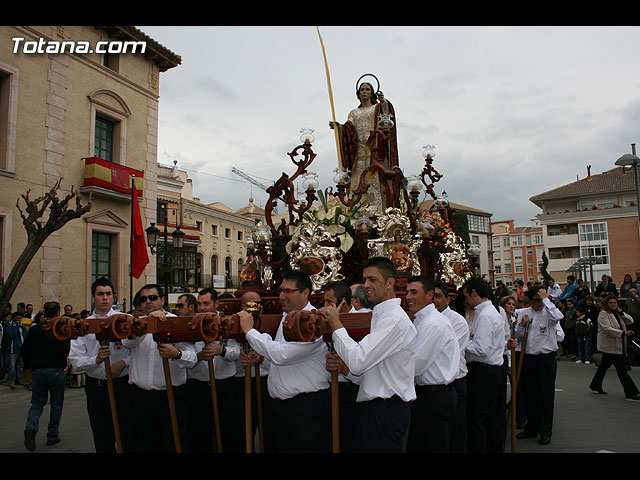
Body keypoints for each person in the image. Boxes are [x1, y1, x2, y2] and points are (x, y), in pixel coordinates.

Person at [318, 257, 416, 453]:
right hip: (377, 408)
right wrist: (344, 368)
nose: (367, 285)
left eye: (373, 279)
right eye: (365, 280)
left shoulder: (394, 319)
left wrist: (336, 324)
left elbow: (359, 361)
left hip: (387, 410)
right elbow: (373, 369)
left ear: (390, 283)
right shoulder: (382, 316)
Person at [238, 270, 331, 452]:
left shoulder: (313, 321)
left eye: (288, 291)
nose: (281, 296)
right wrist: (261, 359)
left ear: (305, 293)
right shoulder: (286, 318)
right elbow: (280, 362)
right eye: (281, 291)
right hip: (282, 408)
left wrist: (249, 332)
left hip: (305, 408)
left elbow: (283, 355)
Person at [121, 284, 197, 453]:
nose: (148, 302)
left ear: (162, 300)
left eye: (153, 298)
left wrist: (176, 353)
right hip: (140, 397)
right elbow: (127, 342)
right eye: (144, 299)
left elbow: (192, 358)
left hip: (170, 396)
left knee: (173, 443)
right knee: (143, 444)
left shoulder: (178, 322)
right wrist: (147, 324)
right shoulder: (135, 323)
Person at [68, 277, 133, 453]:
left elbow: (138, 351)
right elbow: (75, 360)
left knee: (127, 433)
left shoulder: (126, 321)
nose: (104, 298)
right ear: (93, 297)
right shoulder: (84, 326)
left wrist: (122, 363)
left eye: (108, 294)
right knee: (102, 435)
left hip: (122, 385)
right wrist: (95, 360)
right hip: (96, 388)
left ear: (114, 297)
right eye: (100, 294)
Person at [405, 276, 460, 453]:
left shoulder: (433, 323)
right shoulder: (421, 320)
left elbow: (415, 365)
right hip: (428, 394)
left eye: (414, 292)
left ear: (429, 295)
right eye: (407, 292)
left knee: (432, 445)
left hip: (435, 396)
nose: (408, 296)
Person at [329, 79, 399, 214]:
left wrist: (384, 102)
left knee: (376, 180)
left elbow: (386, 117)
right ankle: (357, 212)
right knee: (357, 180)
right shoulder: (354, 113)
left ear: (372, 92)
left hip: (375, 150)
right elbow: (348, 129)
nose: (364, 92)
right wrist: (339, 128)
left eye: (367, 89)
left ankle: (378, 213)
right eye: (362, 89)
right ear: (358, 93)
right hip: (359, 152)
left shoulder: (377, 108)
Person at [186, 287, 240, 453]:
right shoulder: (190, 324)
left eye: (206, 303)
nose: (202, 307)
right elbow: (185, 355)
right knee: (200, 433)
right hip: (199, 386)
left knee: (228, 431)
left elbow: (235, 353)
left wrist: (221, 351)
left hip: (225, 385)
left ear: (216, 303)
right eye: (199, 304)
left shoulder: (227, 323)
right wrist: (199, 356)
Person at [514, 286, 564, 445]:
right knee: (530, 395)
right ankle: (531, 427)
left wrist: (547, 300)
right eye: (536, 300)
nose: (539, 303)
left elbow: (558, 316)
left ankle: (545, 430)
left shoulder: (549, 312)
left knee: (546, 396)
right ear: (530, 300)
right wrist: (522, 325)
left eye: (541, 299)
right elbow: (517, 336)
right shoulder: (523, 312)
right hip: (528, 358)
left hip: (546, 358)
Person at [462, 277, 506, 453]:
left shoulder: (486, 315)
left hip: (483, 371)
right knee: (487, 415)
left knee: (478, 418)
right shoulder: (488, 312)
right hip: (489, 370)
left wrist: (461, 345)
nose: (465, 301)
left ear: (474, 293)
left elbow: (482, 349)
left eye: (467, 296)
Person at [21, 302, 71, 451]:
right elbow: (65, 350)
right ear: (57, 313)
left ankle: (31, 425)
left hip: (38, 370)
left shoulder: (35, 330)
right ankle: (52, 434)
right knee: (56, 404)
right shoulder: (61, 330)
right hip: (56, 370)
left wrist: (30, 365)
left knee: (36, 403)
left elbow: (25, 350)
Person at [323, 280, 362, 453]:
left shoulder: (362, 320)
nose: (324, 307)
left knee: (350, 437)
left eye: (329, 303)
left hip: (352, 388)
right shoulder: (323, 319)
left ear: (343, 302)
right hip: (331, 386)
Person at [234, 291, 275, 453]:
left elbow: (277, 355)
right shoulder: (235, 322)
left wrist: (261, 359)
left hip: (264, 382)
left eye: (259, 303)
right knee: (242, 429)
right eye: (251, 304)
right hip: (241, 383)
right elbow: (228, 352)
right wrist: (240, 355)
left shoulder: (271, 324)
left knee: (269, 429)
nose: (256, 307)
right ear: (243, 306)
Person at [433, 281, 470, 452]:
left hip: (455, 381)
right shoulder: (425, 319)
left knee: (456, 431)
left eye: (439, 296)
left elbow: (445, 352)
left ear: (448, 300)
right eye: (432, 296)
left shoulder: (458, 321)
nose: (435, 300)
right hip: (435, 384)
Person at [589, 294, 640, 401]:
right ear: (607, 304)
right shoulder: (603, 314)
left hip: (618, 345)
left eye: (615, 303)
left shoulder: (617, 313)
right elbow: (607, 328)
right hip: (610, 345)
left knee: (603, 366)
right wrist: (623, 333)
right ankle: (631, 391)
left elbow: (630, 321)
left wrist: (621, 312)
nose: (613, 304)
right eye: (611, 303)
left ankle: (596, 384)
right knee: (622, 369)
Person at [5, 311, 27, 389]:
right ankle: (11, 381)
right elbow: (11, 335)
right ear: (14, 318)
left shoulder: (22, 326)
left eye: (20, 318)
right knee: (12, 366)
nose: (19, 320)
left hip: (21, 349)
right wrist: (17, 326)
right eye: (17, 318)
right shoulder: (10, 326)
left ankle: (19, 380)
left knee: (20, 365)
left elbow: (25, 336)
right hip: (13, 349)